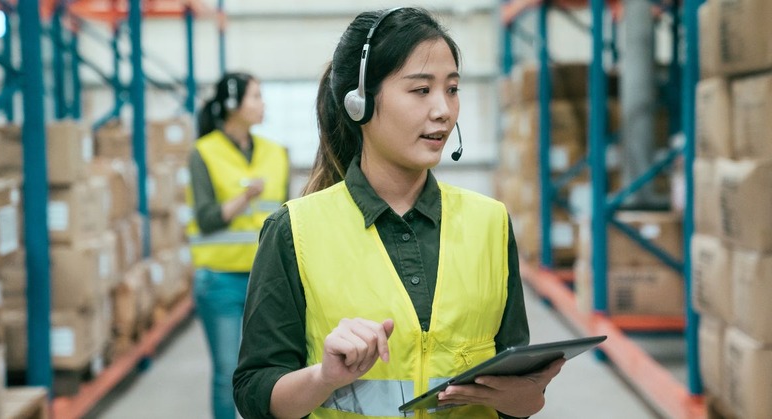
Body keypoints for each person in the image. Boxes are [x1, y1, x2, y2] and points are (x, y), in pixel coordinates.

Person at [233, 7, 563, 419]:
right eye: (421, 90)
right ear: (360, 102)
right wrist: (324, 378)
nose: (443, 110)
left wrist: (523, 398)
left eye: (453, 88)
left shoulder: (490, 223)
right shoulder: (294, 231)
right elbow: (254, 395)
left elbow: (519, 395)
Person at [187, 71, 289, 419]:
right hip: (221, 281)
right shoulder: (204, 153)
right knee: (227, 374)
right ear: (233, 104)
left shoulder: (277, 154)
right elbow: (206, 218)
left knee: (276, 369)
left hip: (269, 278)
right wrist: (245, 197)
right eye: (255, 97)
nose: (263, 105)